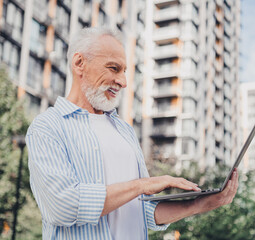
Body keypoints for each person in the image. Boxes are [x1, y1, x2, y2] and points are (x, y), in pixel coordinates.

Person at [26, 27, 239, 240]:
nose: (123, 81)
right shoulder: (47, 127)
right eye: (114, 68)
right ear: (79, 63)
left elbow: (142, 212)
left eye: (124, 71)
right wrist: (141, 185)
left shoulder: (124, 130)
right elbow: (62, 206)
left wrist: (200, 204)